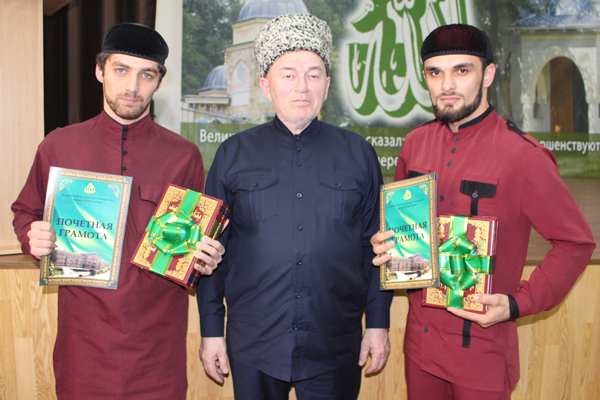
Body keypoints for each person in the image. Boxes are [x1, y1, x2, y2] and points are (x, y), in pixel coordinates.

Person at [371, 24, 596, 399]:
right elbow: (409, 237)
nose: (447, 85)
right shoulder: (415, 144)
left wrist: (517, 303)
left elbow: (576, 243)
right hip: (421, 347)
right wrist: (388, 245)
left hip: (481, 353)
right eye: (435, 72)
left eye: (462, 70)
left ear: (488, 74)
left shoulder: (524, 156)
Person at [11, 23, 226, 400]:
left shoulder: (184, 156)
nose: (133, 86)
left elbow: (193, 244)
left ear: (159, 82)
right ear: (100, 71)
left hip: (157, 352)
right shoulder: (59, 146)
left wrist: (205, 258)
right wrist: (33, 238)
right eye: (121, 70)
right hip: (84, 350)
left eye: (147, 75)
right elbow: (25, 212)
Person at [197, 13, 394, 400]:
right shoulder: (232, 154)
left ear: (327, 85)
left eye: (313, 75)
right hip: (254, 344)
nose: (302, 87)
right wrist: (211, 331)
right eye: (288, 74)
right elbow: (209, 252)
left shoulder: (359, 154)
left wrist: (378, 323)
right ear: (265, 86)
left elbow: (377, 248)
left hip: (334, 344)